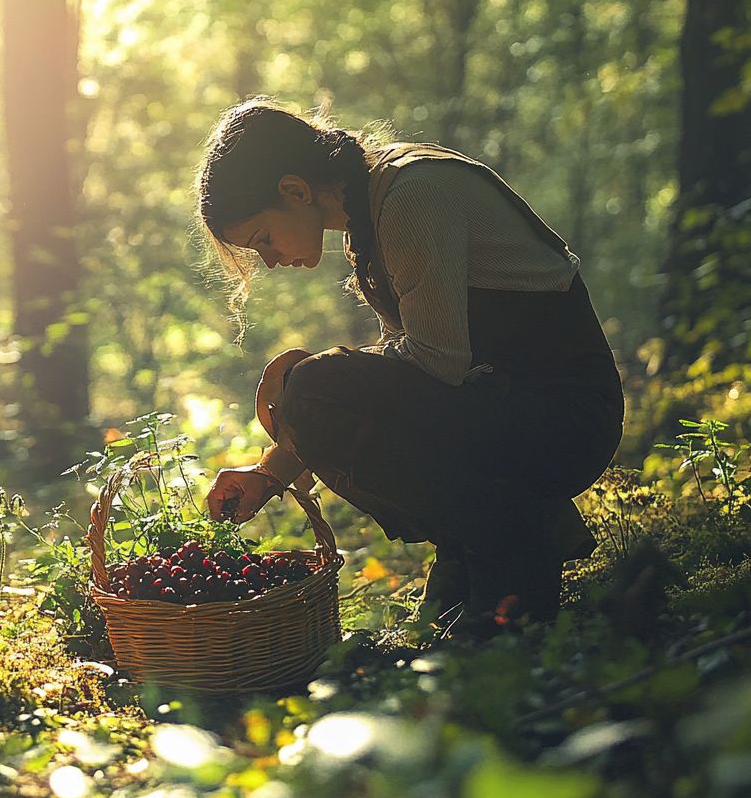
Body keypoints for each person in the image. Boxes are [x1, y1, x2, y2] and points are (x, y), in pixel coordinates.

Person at [197, 99, 624, 629]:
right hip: (505, 409)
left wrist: (309, 374)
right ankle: (476, 544)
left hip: (564, 419)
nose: (269, 259)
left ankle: (514, 549)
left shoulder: (412, 194)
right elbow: (408, 392)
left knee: (308, 385)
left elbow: (434, 365)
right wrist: (271, 471)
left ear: (294, 191)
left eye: (263, 238)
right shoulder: (370, 218)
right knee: (309, 387)